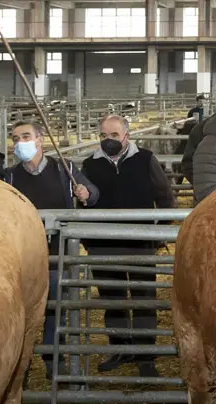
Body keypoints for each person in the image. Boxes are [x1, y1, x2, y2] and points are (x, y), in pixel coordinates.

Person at [81, 115, 176, 377]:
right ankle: (120, 348)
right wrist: (88, 237)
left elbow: (165, 196)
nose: (107, 141)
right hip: (103, 244)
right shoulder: (90, 165)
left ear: (126, 135)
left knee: (144, 296)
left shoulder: (145, 159)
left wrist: (158, 232)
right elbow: (82, 203)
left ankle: (146, 353)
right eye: (103, 136)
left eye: (113, 135)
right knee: (113, 298)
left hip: (140, 241)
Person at [5, 120, 99, 381]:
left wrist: (85, 192)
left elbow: (93, 193)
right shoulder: (10, 175)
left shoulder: (64, 168)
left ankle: (52, 356)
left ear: (40, 140)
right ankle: (19, 364)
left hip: (57, 251)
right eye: (15, 138)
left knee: (54, 304)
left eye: (25, 136)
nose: (19, 142)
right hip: (22, 251)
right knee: (20, 307)